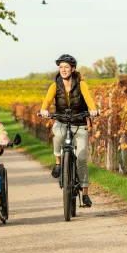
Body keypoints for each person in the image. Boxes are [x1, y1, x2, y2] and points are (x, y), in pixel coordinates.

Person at [40, 54, 98, 207]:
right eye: (61, 67)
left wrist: (93, 110)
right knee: (57, 136)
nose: (63, 70)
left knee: (81, 158)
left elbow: (89, 100)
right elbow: (46, 101)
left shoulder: (81, 85)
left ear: (73, 69)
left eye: (66, 67)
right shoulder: (55, 85)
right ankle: (58, 163)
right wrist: (44, 110)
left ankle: (85, 194)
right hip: (61, 121)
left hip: (79, 123)